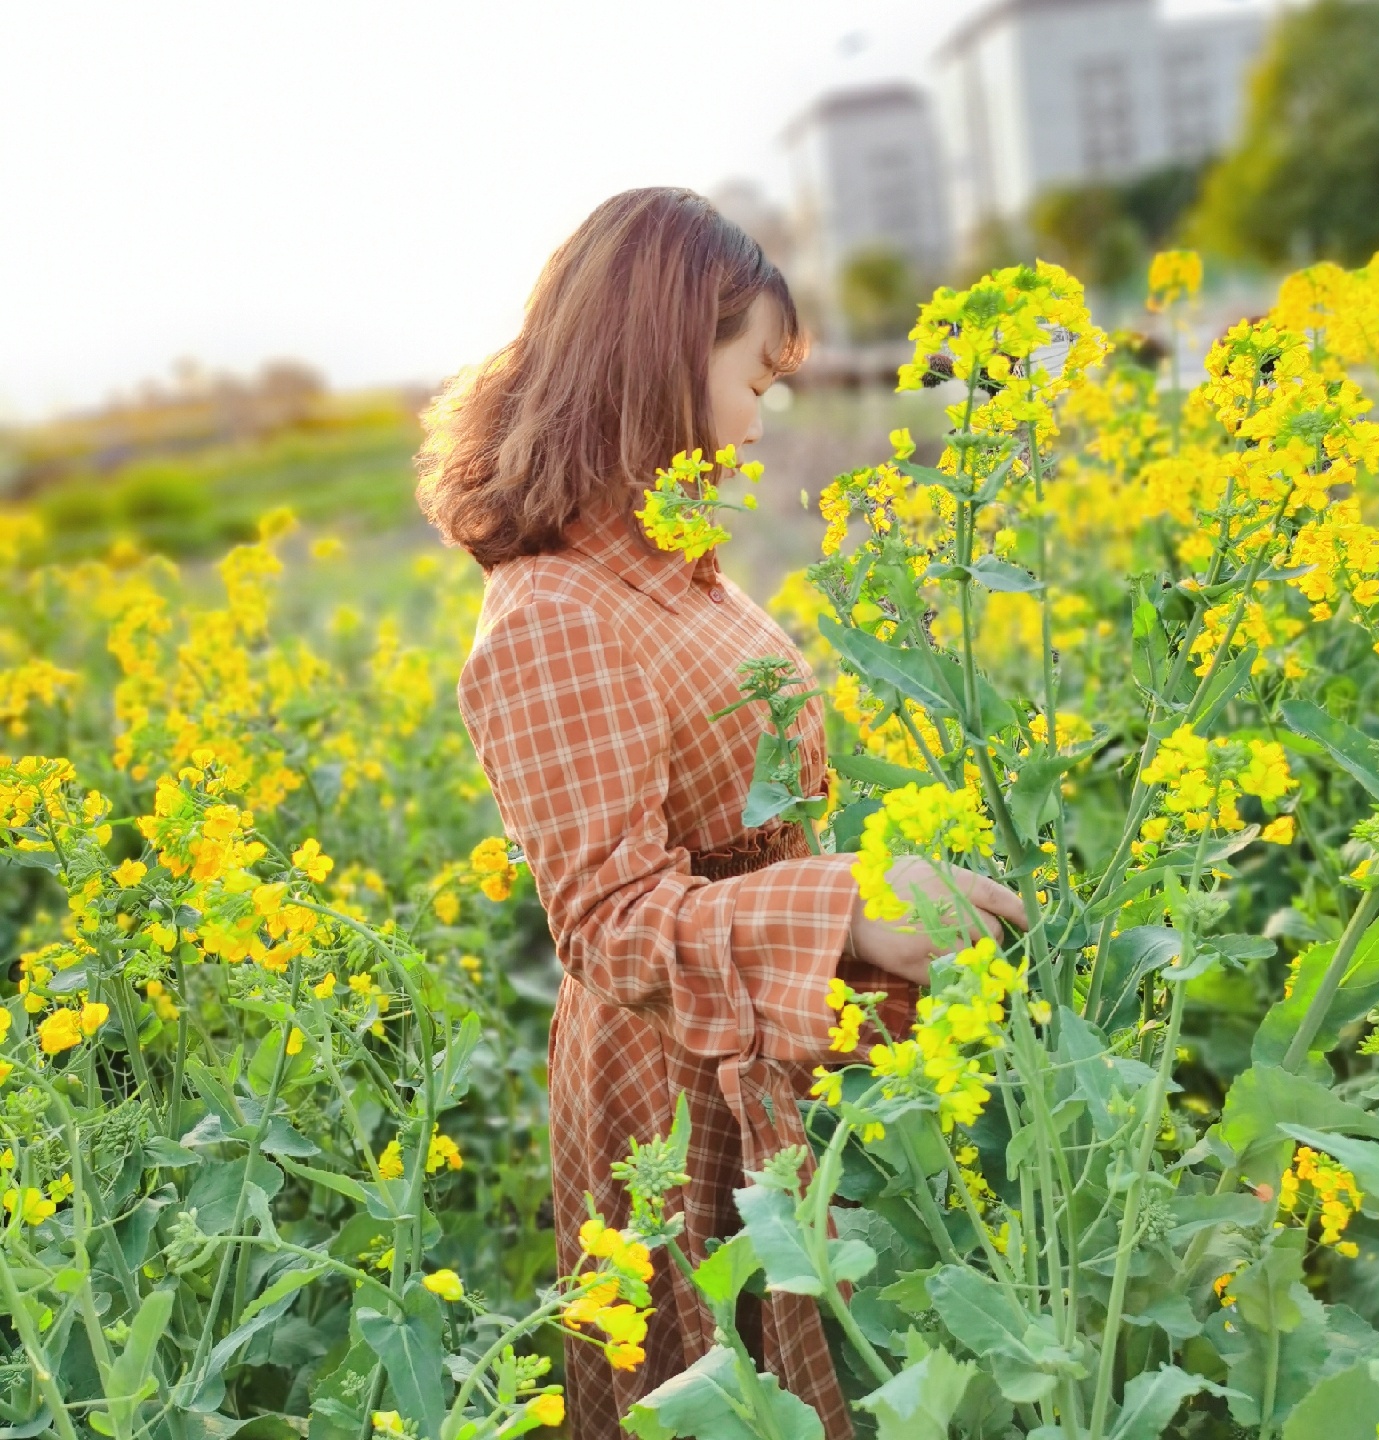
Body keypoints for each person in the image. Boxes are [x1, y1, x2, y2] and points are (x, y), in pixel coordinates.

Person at [415, 186, 1026, 1440]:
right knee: (734, 1393)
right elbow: (610, 925)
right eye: (755, 378)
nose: (761, 419)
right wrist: (847, 907)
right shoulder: (555, 614)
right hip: (677, 1079)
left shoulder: (665, 564)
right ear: (660, 358)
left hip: (775, 1026)